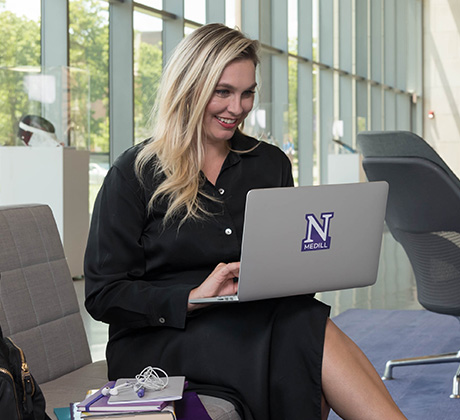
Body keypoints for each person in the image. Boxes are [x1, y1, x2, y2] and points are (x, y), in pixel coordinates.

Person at [84, 23, 407, 420]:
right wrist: (193, 297)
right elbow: (103, 293)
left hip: (255, 321)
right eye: (223, 92)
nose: (237, 108)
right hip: (161, 340)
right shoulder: (135, 172)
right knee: (304, 332)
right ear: (189, 88)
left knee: (302, 322)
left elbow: (286, 261)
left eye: (247, 93)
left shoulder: (269, 163)